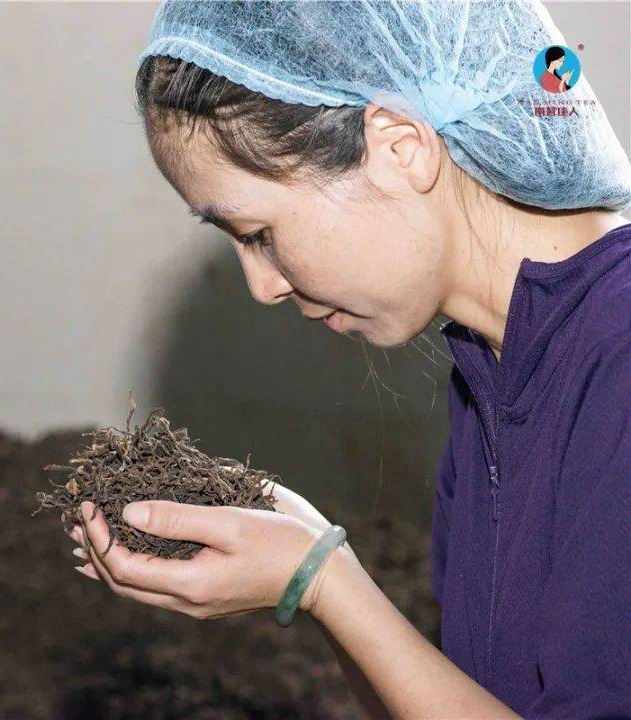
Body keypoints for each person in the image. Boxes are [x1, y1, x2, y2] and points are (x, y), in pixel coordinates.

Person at [64, 1, 631, 718]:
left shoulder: (619, 361)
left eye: (258, 233)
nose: (263, 286)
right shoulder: (492, 374)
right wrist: (310, 574)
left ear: (398, 147)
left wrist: (328, 578)